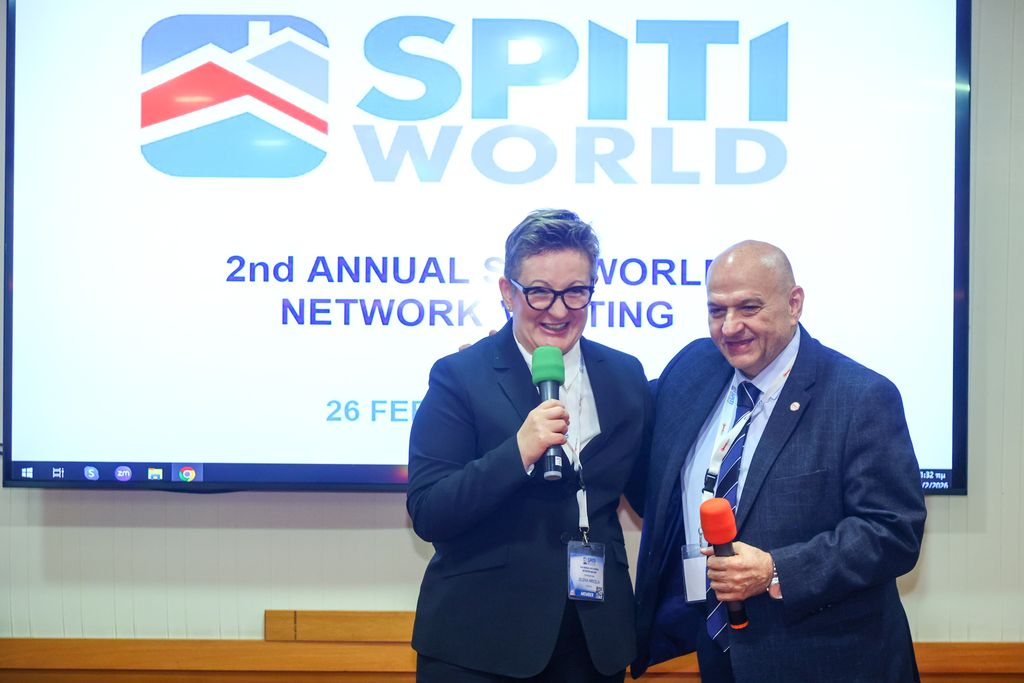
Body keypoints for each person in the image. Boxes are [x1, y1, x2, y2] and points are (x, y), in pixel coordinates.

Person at [631, 240, 926, 682]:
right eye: (716, 310)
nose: (730, 327)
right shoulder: (693, 369)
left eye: (749, 307)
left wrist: (775, 569)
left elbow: (893, 532)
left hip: (828, 663)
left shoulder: (860, 396)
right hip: (718, 655)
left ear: (794, 304)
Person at [407, 209, 651, 682]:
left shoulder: (626, 375)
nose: (558, 311)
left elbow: (648, 491)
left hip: (593, 642)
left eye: (575, 291)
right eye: (539, 291)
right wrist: (517, 452)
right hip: (480, 644)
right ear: (507, 292)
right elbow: (429, 511)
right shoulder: (460, 376)